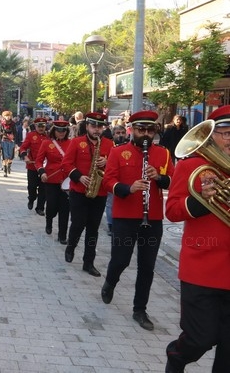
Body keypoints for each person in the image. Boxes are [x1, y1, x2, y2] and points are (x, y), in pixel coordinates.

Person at [164, 105, 230, 372]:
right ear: (212, 135)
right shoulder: (192, 166)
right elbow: (173, 211)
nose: (229, 139)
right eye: (224, 133)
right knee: (200, 339)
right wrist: (202, 199)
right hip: (201, 268)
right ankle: (176, 357)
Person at [101, 111, 174, 331]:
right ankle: (110, 281)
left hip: (152, 219)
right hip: (125, 217)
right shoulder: (118, 152)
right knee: (121, 260)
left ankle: (139, 309)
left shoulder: (163, 154)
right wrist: (129, 188)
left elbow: (172, 181)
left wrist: (159, 178)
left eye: (150, 130)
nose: (145, 134)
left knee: (147, 267)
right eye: (141, 129)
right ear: (132, 129)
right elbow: (108, 181)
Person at [61, 112, 113, 277]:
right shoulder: (76, 142)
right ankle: (71, 247)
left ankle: (88, 262)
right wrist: (79, 177)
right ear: (87, 126)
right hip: (79, 191)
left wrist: (108, 162)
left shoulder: (110, 145)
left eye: (100, 127)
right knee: (78, 224)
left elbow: (115, 168)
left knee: (93, 229)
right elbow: (66, 164)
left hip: (100, 192)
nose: (97, 130)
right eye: (94, 126)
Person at [34, 120, 71, 243]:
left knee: (65, 209)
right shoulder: (46, 143)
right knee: (51, 206)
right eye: (59, 130)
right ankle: (49, 221)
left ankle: (62, 235)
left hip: (66, 181)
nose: (61, 133)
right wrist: (42, 172)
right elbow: (39, 161)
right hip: (51, 179)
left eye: (64, 130)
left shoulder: (71, 143)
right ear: (54, 130)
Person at [20, 117, 48, 215]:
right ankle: (31, 198)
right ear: (35, 126)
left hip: (44, 167)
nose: (41, 128)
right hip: (32, 166)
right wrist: (25, 157)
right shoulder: (31, 135)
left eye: (43, 126)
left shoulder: (49, 136)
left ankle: (40, 208)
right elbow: (23, 148)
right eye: (39, 126)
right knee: (32, 187)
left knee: (43, 188)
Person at [104, 124, 128, 234]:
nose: (121, 135)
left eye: (123, 133)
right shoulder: (109, 146)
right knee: (110, 202)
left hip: (125, 178)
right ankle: (111, 224)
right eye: (118, 133)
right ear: (113, 135)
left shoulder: (129, 146)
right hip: (112, 178)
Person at [0, 110, 18, 177]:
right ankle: (5, 171)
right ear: (3, 116)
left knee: (11, 156)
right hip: (4, 141)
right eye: (6, 116)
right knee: (4, 156)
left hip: (11, 141)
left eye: (9, 116)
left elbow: (15, 133)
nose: (8, 117)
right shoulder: (1, 123)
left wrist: (16, 142)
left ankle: (9, 166)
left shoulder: (13, 123)